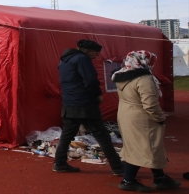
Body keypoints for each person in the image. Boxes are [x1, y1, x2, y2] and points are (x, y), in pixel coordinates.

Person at [112, 51, 181, 191]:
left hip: (126, 114)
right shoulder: (144, 79)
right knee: (145, 147)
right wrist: (160, 118)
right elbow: (150, 104)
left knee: (143, 147)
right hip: (141, 117)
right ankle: (128, 180)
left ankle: (160, 177)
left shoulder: (121, 75)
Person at [53, 39, 123, 175]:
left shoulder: (64, 61)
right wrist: (97, 94)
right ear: (88, 51)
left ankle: (59, 163)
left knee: (66, 136)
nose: (96, 56)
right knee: (102, 135)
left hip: (69, 103)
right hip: (85, 103)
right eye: (96, 53)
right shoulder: (82, 60)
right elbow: (90, 79)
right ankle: (117, 167)